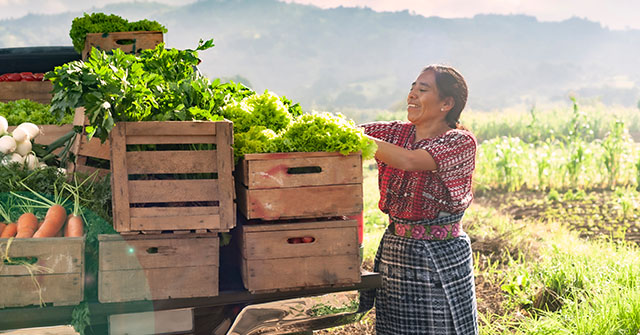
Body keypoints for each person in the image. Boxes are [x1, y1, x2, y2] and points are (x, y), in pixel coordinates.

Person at [358, 64, 478, 334]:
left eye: (422, 89)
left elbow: (410, 161)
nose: (411, 95)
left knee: (442, 327)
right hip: (397, 252)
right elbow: (350, 130)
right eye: (412, 88)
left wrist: (356, 138)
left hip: (439, 258)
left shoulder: (459, 142)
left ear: (447, 103)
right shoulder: (396, 133)